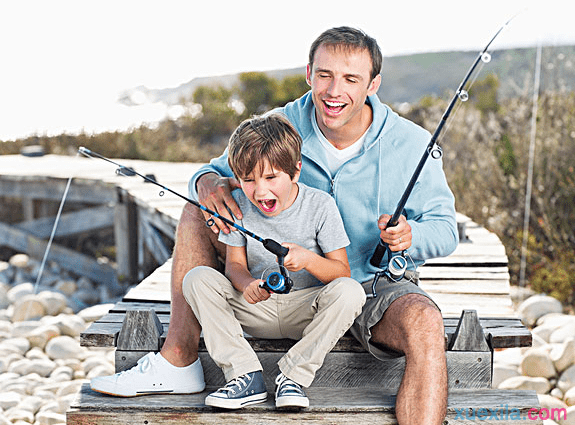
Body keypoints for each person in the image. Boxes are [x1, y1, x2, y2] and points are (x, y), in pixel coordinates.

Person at [91, 26, 458, 425]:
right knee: (196, 209)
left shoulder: (411, 143)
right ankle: (178, 359)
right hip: (274, 291)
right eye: (324, 75)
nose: (334, 91)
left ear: (374, 83)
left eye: (351, 79)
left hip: (370, 286)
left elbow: (445, 229)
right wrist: (208, 183)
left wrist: (410, 236)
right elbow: (214, 172)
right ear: (308, 73)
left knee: (426, 321)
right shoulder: (281, 122)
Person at [182, 113, 365, 409]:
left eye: (270, 177)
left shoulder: (321, 205)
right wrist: (247, 284)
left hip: (304, 310)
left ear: (295, 171)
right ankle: (245, 375)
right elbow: (234, 267)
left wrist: (307, 260)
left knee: (351, 292)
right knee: (197, 279)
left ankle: (293, 377)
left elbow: (341, 272)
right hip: (256, 308)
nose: (260, 190)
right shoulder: (239, 204)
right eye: (249, 180)